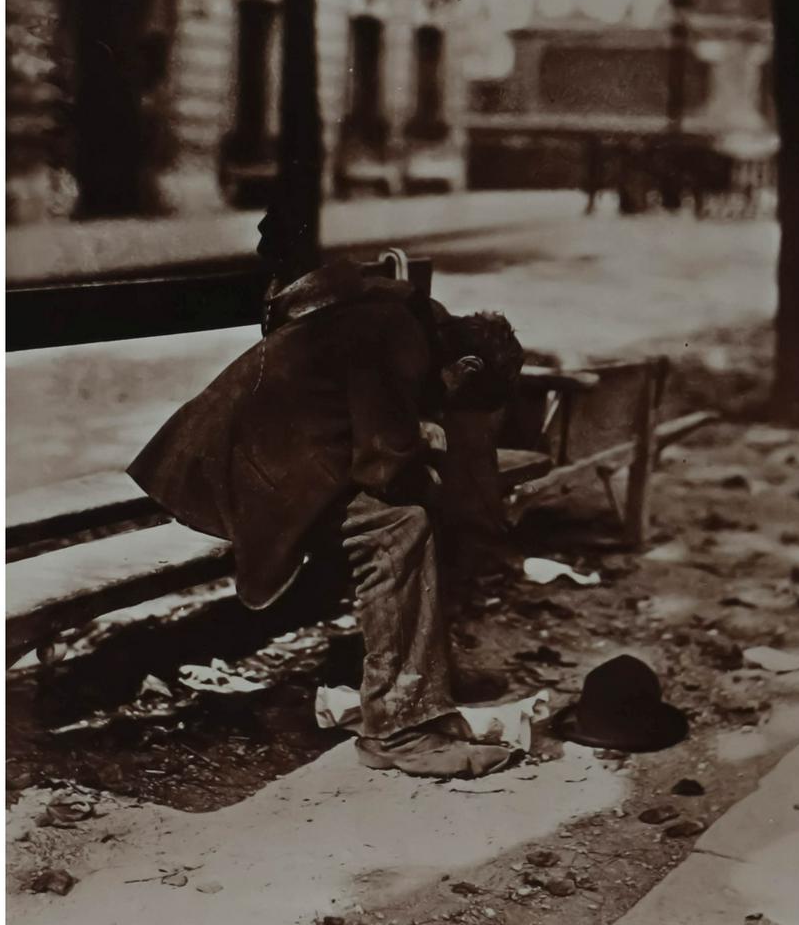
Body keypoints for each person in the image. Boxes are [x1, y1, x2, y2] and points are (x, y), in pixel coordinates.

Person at [127, 208, 526, 778]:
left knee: (421, 510)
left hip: (265, 456)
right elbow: (381, 465)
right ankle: (400, 729)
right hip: (234, 472)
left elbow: (377, 436)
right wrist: (421, 440)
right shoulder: (398, 335)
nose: (446, 406)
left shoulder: (411, 322)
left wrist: (418, 443)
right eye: (456, 395)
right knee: (400, 525)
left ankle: (416, 694)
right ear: (464, 364)